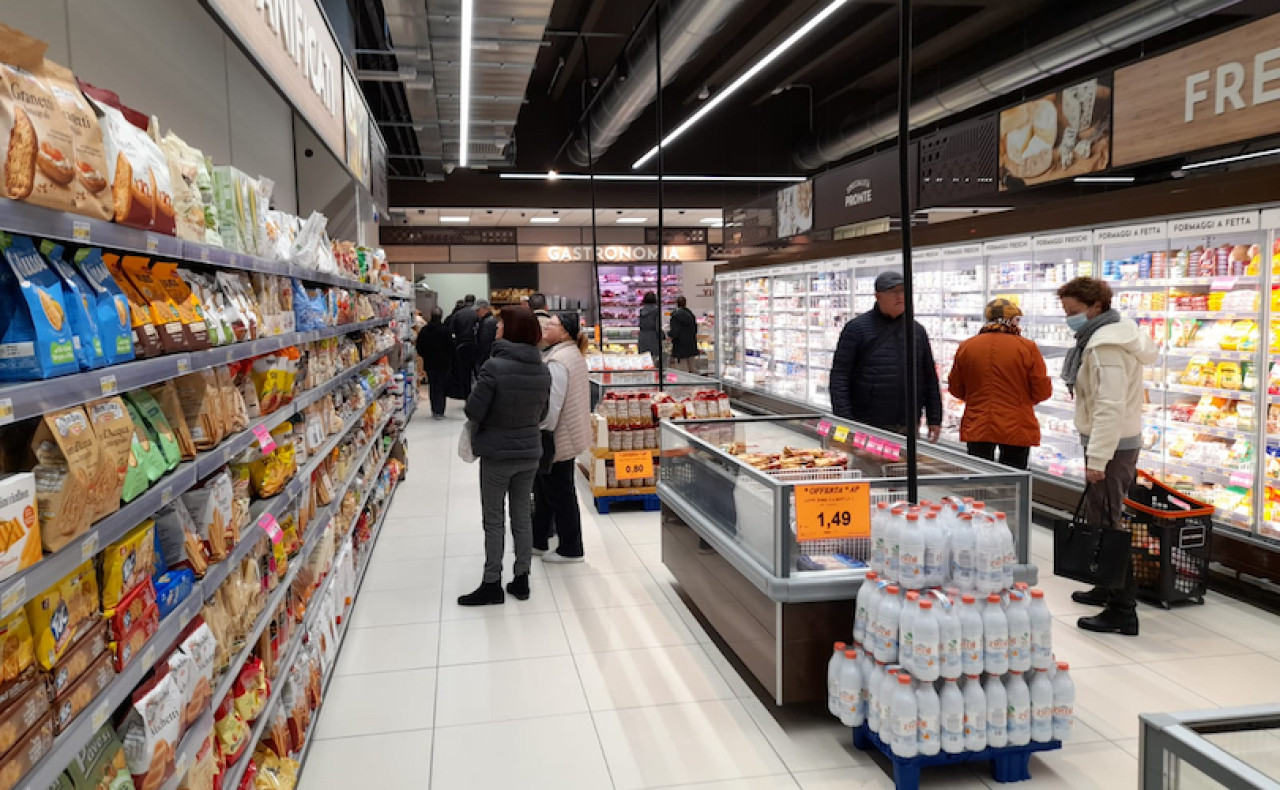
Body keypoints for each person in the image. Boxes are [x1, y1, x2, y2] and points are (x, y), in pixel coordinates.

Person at [1058, 277, 1157, 636]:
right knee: (1100, 517)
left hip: (1113, 446)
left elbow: (1109, 406)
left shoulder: (1105, 347)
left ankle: (1122, 610)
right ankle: (1105, 584)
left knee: (1109, 523)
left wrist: (1097, 459)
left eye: (1073, 311)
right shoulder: (1106, 336)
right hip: (1117, 442)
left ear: (1096, 307)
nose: (1068, 318)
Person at [459, 306, 551, 606]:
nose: (496, 329)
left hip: (497, 455)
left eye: (500, 325)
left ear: (510, 330)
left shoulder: (494, 367)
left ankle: (492, 583)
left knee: (494, 520)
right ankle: (522, 579)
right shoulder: (543, 369)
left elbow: (474, 410)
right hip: (529, 452)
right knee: (522, 517)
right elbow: (543, 414)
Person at [829, 271, 942, 440]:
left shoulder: (917, 331)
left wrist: (935, 418)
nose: (900, 296)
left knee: (905, 459)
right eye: (893, 291)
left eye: (904, 291)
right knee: (867, 459)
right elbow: (840, 376)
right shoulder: (856, 329)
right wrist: (845, 421)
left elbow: (929, 377)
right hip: (867, 423)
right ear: (878, 296)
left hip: (908, 424)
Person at [947, 299, 1052, 469]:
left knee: (979, 475)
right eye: (1017, 319)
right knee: (1013, 478)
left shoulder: (967, 346)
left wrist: (976, 398)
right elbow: (1042, 390)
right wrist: (1022, 401)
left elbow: (955, 387)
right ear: (1010, 320)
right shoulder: (1027, 347)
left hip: (978, 423)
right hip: (1017, 424)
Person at [534, 311, 593, 563]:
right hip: (569, 431)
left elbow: (553, 404)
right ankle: (538, 539)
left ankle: (571, 548)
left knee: (559, 492)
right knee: (547, 488)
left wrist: (543, 429)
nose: (546, 327)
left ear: (565, 332)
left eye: (552, 325)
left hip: (558, 435)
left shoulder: (558, 360)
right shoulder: (571, 354)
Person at [415, 307, 455, 419]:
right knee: (442, 387)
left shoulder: (424, 330)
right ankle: (440, 410)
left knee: (433, 386)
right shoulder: (445, 330)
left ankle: (434, 410)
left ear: (430, 316)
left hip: (430, 363)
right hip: (444, 363)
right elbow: (451, 347)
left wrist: (425, 356)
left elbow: (419, 347)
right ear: (441, 316)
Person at [450, 297, 482, 397]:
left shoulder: (458, 314)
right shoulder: (477, 313)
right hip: (476, 345)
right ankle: (479, 393)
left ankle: (466, 395)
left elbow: (451, 331)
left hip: (461, 346)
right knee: (478, 370)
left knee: (464, 372)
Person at [668, 296, 699, 372]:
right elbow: (695, 329)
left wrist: (669, 335)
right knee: (692, 369)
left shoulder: (675, 316)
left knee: (683, 370)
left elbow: (675, 332)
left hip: (680, 347)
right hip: (691, 345)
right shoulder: (691, 314)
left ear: (677, 304)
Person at [637, 291, 662, 360]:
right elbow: (657, 327)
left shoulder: (641, 311)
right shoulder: (656, 311)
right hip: (653, 338)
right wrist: (663, 337)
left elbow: (640, 325)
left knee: (644, 361)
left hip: (642, 338)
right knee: (653, 361)